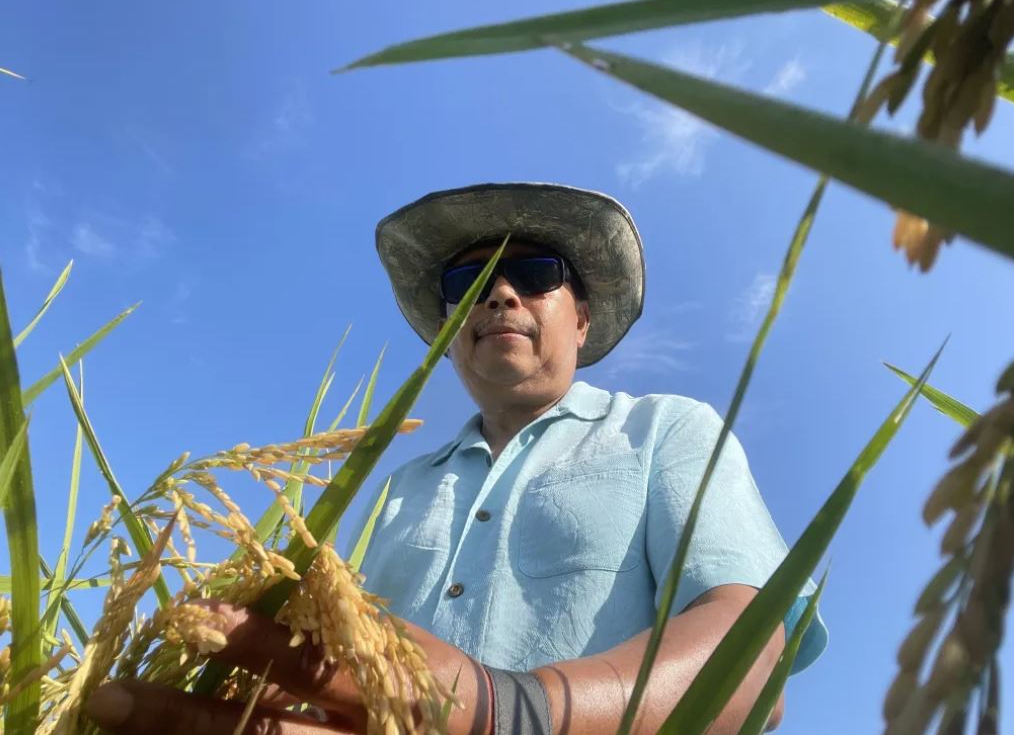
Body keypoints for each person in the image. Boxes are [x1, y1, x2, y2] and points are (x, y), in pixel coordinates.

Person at [86, 183, 827, 734]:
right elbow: (339, 678)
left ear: (583, 314)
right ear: (451, 325)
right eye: (468, 283)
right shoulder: (396, 491)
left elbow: (751, 651)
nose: (500, 291)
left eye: (534, 272)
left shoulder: (665, 431)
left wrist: (508, 711)